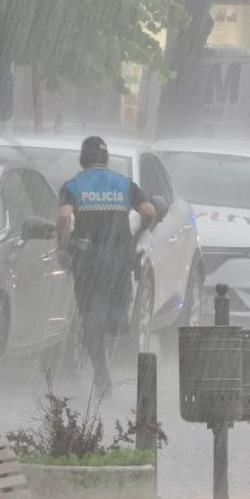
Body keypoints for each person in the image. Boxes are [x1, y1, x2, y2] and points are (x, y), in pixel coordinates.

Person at [57, 136, 156, 397]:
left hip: (87, 261)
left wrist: (62, 248)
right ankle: (108, 324)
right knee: (119, 320)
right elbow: (149, 212)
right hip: (119, 260)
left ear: (83, 159)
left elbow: (65, 216)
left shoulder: (74, 185)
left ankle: (101, 373)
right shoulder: (124, 185)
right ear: (106, 159)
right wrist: (137, 235)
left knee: (90, 321)